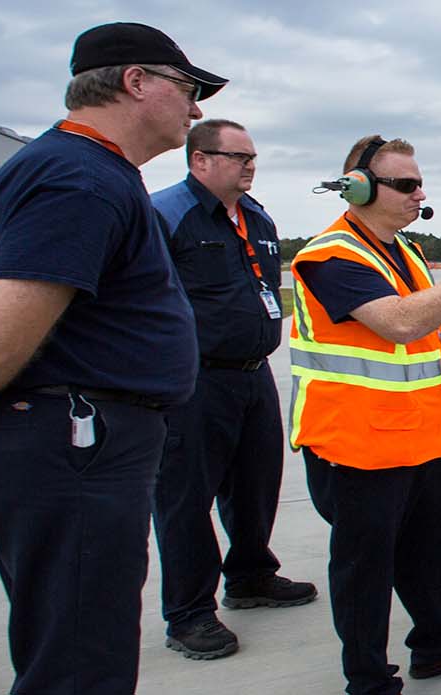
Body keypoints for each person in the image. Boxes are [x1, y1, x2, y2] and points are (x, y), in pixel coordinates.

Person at [0, 23, 221, 693]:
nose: (195, 107)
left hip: (74, 440)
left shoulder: (84, 170)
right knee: (81, 663)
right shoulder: (80, 179)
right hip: (71, 443)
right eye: (188, 88)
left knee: (77, 642)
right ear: (136, 81)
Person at [290, 135, 441, 693]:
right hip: (359, 447)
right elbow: (400, 322)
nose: (420, 194)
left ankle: (438, 646)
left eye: (419, 182)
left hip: (425, 438)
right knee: (364, 572)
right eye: (407, 184)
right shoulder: (329, 255)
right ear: (359, 187)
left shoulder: (404, 249)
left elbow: (432, 339)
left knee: (437, 553)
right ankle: (368, 677)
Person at [150, 118, 317, 660]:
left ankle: (250, 575)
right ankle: (190, 613)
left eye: (252, 156)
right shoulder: (165, 214)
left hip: (252, 374)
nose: (249, 165)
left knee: (255, 482)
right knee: (186, 497)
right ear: (199, 159)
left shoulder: (257, 216)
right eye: (237, 156)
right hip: (192, 378)